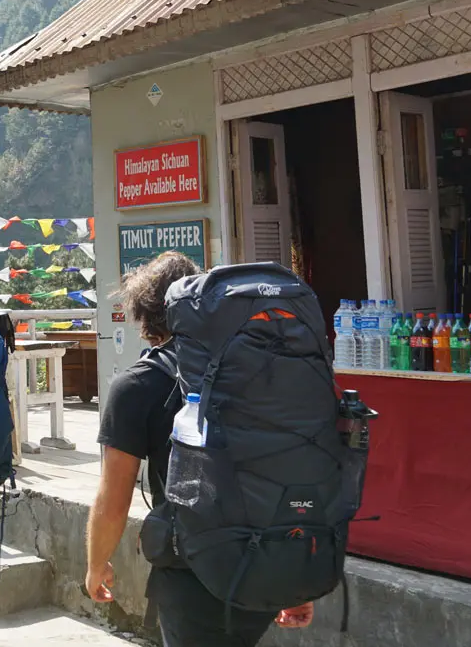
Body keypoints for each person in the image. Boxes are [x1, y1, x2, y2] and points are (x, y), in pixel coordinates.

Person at [86, 252, 315, 646]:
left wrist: (95, 564)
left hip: (194, 573)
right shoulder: (256, 367)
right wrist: (296, 576)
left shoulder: (138, 385)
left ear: (144, 318)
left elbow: (114, 497)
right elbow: (294, 466)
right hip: (266, 559)